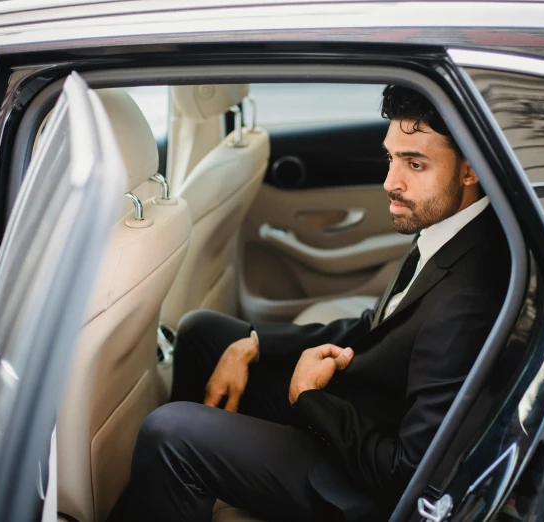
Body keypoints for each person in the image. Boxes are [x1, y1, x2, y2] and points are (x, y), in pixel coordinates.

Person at [108, 85, 511, 522]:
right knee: (203, 333)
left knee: (169, 431)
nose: (391, 182)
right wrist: (256, 341)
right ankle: (179, 490)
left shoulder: (468, 300)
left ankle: (186, 461)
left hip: (354, 485)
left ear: (469, 171)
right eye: (391, 158)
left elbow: (406, 475)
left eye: (415, 164)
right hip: (360, 409)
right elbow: (378, 326)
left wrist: (310, 399)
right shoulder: (451, 231)